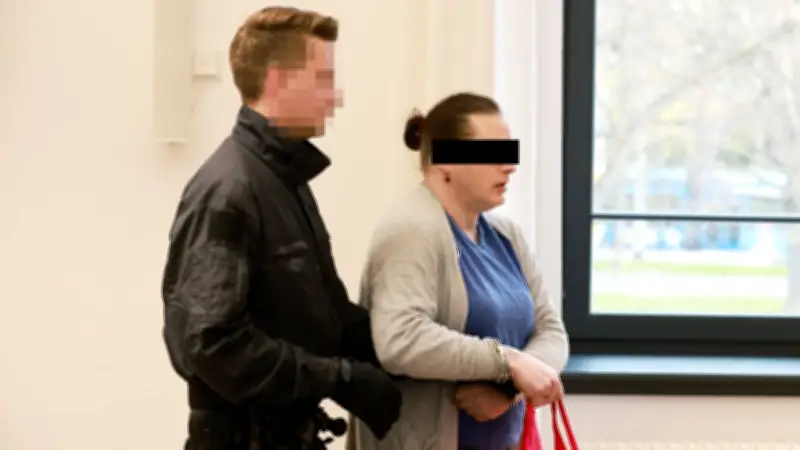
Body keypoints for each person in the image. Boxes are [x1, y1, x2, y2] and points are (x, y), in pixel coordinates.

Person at [160, 7, 401, 450]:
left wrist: (416, 355)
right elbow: (212, 344)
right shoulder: (228, 190)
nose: (336, 98)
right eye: (323, 79)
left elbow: (327, 316)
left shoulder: (284, 181)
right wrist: (338, 378)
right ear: (278, 81)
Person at [348, 92, 570, 450]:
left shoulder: (506, 234)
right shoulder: (410, 230)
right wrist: (508, 361)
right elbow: (401, 340)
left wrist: (508, 389)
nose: (509, 166)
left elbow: (550, 331)